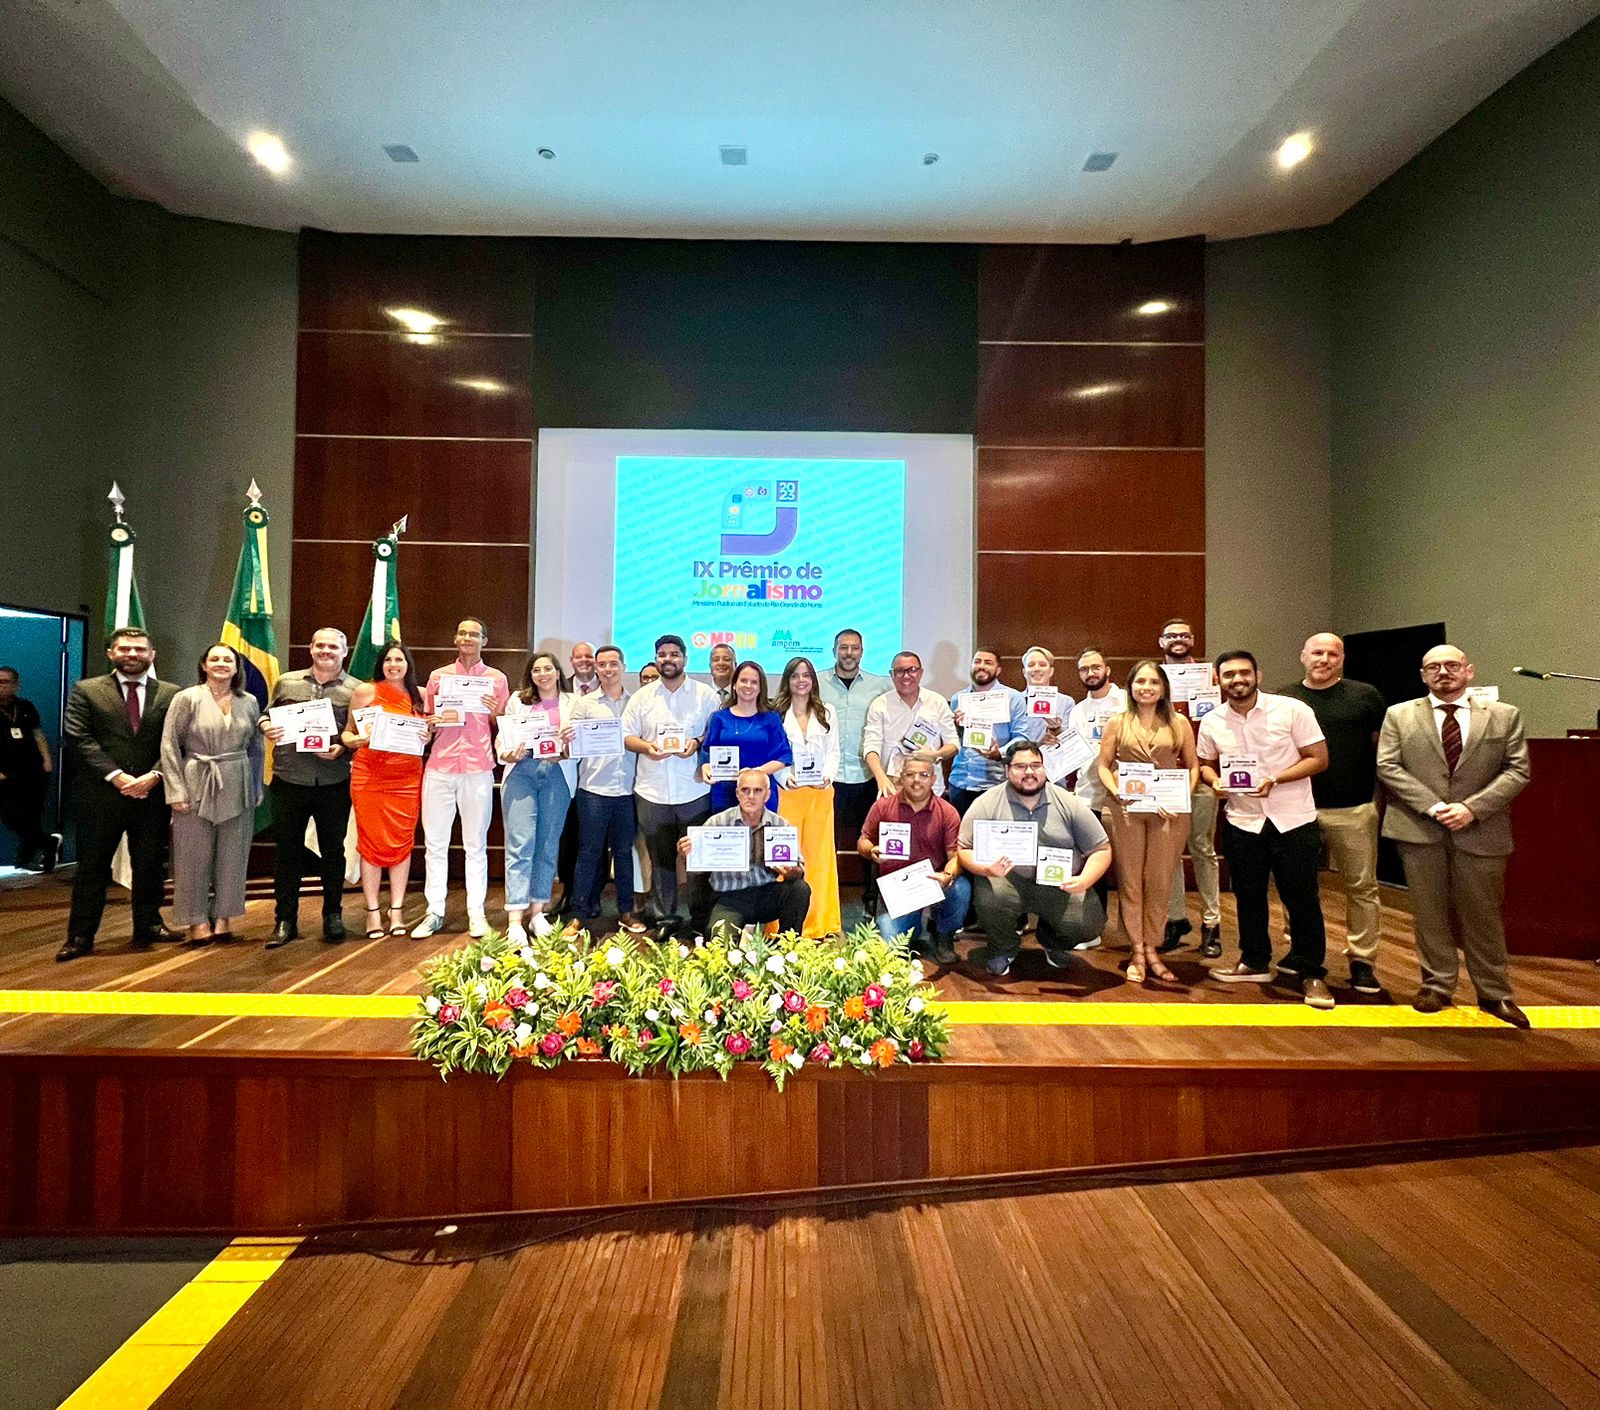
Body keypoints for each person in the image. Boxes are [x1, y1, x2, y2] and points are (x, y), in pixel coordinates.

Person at [1377, 645, 1532, 1027]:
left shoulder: (1504, 716)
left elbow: (1517, 771)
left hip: (1481, 829)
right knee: (1429, 913)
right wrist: (1432, 806)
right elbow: (1388, 766)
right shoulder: (1399, 715)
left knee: (1483, 914)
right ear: (1423, 675)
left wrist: (1471, 809)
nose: (1443, 672)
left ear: (1469, 671)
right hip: (1420, 827)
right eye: (1434, 667)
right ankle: (1437, 984)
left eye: (1451, 666)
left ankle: (1495, 993)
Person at [1197, 650, 1335, 1008]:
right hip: (1243, 820)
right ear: (1218, 679)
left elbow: (1319, 759)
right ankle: (1254, 960)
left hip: (1292, 819)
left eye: (1244, 673)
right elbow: (1206, 764)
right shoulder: (1212, 721)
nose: (1237, 680)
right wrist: (1215, 784)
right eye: (1229, 675)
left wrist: (1275, 778)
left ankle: (1311, 973)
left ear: (1258, 674)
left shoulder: (1292, 710)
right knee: (1248, 896)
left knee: (1302, 899)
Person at [58, 628, 182, 960]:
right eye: (124, 648)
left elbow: (177, 742)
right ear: (111, 654)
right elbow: (79, 737)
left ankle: (149, 926)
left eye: (139, 649)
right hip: (101, 796)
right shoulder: (86, 690)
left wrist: (153, 776)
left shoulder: (172, 694)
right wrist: (118, 776)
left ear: (151, 655)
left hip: (151, 794)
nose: (132, 654)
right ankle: (81, 935)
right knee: (92, 868)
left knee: (150, 865)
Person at [1279, 633, 1389, 995]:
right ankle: (1301, 950)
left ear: (1342, 659)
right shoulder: (1284, 699)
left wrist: (1377, 799)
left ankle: (1362, 960)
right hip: (1297, 808)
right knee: (1297, 887)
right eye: (1317, 653)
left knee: (1361, 886)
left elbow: (1381, 753)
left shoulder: (1366, 696)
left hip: (1353, 807)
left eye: (1332, 654)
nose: (1324, 659)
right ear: (1303, 656)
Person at [957, 739, 1113, 977]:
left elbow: (1101, 849)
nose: (1029, 772)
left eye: (1036, 765)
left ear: (1044, 768)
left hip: (1058, 884)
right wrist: (986, 869)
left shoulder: (1068, 802)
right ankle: (1003, 948)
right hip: (1009, 881)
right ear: (1007, 770)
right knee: (989, 895)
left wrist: (1083, 881)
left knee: (1089, 923)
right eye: (1020, 767)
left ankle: (1053, 942)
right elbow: (964, 848)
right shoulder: (987, 802)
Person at [1096, 661, 1198, 984]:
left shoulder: (1179, 722)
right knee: (1129, 880)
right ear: (1130, 687)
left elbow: (1193, 767)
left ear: (1164, 688)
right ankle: (1136, 950)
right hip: (1125, 808)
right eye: (1140, 681)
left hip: (1168, 812)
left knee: (1159, 880)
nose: (1146, 687)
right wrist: (1115, 791)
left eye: (1153, 681)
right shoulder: (1117, 722)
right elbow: (1103, 766)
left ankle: (1153, 947)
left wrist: (1181, 797)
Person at [411, 618, 510, 940]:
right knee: (435, 844)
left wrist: (495, 713)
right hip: (439, 767)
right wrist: (432, 722)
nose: (467, 638)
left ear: (485, 640)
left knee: (476, 845)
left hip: (478, 767)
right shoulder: (439, 677)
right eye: (462, 632)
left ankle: (476, 914)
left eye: (474, 634)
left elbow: (504, 725)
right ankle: (434, 911)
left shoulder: (496, 679)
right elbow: (428, 724)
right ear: (455, 639)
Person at [159, 644, 264, 945]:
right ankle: (195, 921)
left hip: (238, 781)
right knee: (193, 856)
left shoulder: (249, 702)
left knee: (233, 855)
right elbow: (169, 745)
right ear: (204, 665)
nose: (221, 664)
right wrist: (175, 791)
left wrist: (256, 787)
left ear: (236, 667)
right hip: (196, 780)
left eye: (227, 660)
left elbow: (256, 748)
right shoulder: (187, 698)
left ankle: (224, 917)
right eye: (214, 659)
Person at [259, 627, 355, 946]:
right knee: (287, 853)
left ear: (345, 651)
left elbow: (358, 732)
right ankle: (285, 921)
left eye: (333, 646)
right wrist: (266, 726)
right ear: (311, 649)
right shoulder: (287, 682)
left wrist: (342, 746)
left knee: (333, 853)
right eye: (320, 645)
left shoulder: (356, 689)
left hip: (334, 781)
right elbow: (264, 716)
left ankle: (333, 916)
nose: (326, 651)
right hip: (290, 780)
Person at [622, 634, 719, 936]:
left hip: (695, 790)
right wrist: (647, 747)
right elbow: (626, 736)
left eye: (674, 654)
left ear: (685, 659)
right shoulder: (642, 697)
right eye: (662, 654)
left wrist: (696, 742)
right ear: (656, 658)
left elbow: (712, 733)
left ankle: (701, 920)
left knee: (699, 858)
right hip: (652, 792)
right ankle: (666, 919)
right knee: (661, 859)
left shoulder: (706, 695)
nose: (668, 659)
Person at [340, 642, 427, 939]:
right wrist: (357, 741)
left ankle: (398, 911)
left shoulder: (421, 695)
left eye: (399, 659)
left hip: (406, 778)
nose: (393, 664)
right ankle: (373, 912)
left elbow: (427, 734)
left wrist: (429, 733)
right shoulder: (366, 691)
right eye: (388, 659)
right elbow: (348, 733)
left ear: (408, 664)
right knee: (371, 844)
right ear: (381, 664)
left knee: (403, 841)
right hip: (370, 777)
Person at [498, 651, 577, 941]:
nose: (542, 674)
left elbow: (579, 747)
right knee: (520, 844)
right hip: (522, 772)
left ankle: (537, 912)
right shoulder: (518, 700)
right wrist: (509, 752)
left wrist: (567, 748)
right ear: (530, 675)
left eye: (548, 668)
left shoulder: (573, 702)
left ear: (558, 672)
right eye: (536, 670)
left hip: (557, 773)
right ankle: (515, 919)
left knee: (547, 845)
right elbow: (503, 739)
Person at [859, 752, 967, 963]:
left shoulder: (948, 812)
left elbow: (955, 857)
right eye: (910, 774)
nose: (917, 780)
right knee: (889, 949)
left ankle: (943, 934)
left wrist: (947, 875)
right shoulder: (882, 806)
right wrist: (871, 851)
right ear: (901, 777)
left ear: (934, 779)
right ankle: (916, 927)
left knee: (960, 887)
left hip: (933, 885)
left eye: (924, 775)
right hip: (897, 890)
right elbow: (863, 841)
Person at [1157, 617, 1223, 957]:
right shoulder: (1151, 680)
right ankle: (1175, 919)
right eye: (1171, 636)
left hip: (1200, 780)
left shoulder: (1211, 679)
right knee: (1169, 853)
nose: (1178, 640)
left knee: (1203, 850)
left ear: (1193, 639)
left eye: (1184, 634)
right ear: (1161, 642)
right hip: (1165, 781)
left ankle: (1212, 924)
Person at [679, 767, 811, 935]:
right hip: (729, 898)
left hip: (766, 894)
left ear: (767, 795)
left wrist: (791, 871)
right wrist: (687, 855)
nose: (751, 796)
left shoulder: (780, 824)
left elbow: (799, 870)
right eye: (745, 790)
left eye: (757, 791)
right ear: (737, 794)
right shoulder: (717, 822)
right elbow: (697, 868)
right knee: (720, 945)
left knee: (799, 889)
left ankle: (787, 945)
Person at [571, 644, 645, 933]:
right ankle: (578, 914)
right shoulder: (585, 704)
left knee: (624, 853)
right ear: (596, 668)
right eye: (602, 664)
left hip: (627, 790)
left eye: (614, 664)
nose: (608, 669)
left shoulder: (637, 702)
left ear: (624, 666)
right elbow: (574, 746)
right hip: (593, 789)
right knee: (588, 853)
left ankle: (626, 912)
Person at [819, 627, 890, 915]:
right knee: (827, 840)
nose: (849, 653)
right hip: (829, 776)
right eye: (843, 647)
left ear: (862, 651)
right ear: (834, 650)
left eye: (854, 648)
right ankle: (827, 898)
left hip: (867, 775)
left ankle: (871, 896)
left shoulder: (880, 685)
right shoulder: (817, 682)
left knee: (870, 841)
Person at [774, 655, 841, 937]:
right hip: (787, 793)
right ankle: (781, 923)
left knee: (818, 858)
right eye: (795, 675)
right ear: (787, 681)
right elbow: (773, 753)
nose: (801, 681)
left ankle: (819, 922)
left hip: (819, 794)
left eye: (806, 675)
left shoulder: (827, 712)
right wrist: (783, 776)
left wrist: (827, 774)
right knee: (785, 857)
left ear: (813, 680)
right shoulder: (775, 713)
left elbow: (834, 751)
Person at [1061, 645, 1126, 924]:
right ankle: (1095, 926)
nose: (1090, 673)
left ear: (1107, 669)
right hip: (1089, 796)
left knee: (1129, 868)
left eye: (1095, 667)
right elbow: (1073, 753)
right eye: (1084, 669)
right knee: (1094, 863)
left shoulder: (1126, 701)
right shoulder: (1078, 710)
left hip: (1124, 795)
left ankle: (1140, 931)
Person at [547, 640, 600, 919]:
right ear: (571, 660)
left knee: (595, 842)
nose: (584, 661)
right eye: (579, 657)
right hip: (566, 777)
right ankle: (569, 893)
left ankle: (594, 895)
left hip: (596, 778)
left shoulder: (607, 686)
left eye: (589, 656)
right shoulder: (560, 689)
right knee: (568, 840)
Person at [948, 648, 1032, 814]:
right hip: (961, 781)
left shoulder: (1013, 698)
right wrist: (956, 728)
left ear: (998, 670)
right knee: (963, 838)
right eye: (977, 662)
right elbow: (954, 740)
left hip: (995, 782)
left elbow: (1022, 738)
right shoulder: (959, 698)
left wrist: (999, 752)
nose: (981, 666)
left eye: (988, 663)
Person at [863, 652, 958, 798]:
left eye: (912, 670)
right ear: (892, 674)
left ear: (920, 673)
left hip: (931, 789)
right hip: (892, 788)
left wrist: (935, 755)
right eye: (900, 671)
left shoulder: (937, 702)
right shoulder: (880, 705)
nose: (906, 676)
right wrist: (881, 779)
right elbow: (871, 747)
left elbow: (953, 744)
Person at [700, 660, 791, 812]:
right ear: (734, 685)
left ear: (761, 688)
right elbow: (707, 752)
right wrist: (706, 767)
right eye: (743, 680)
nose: (748, 685)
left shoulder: (771, 719)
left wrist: (753, 773)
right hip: (724, 794)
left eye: (754, 682)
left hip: (760, 793)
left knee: (759, 836)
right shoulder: (719, 718)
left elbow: (783, 757)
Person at [0, 665, 59, 872]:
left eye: (5, 682)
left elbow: (37, 734)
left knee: (32, 815)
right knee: (11, 816)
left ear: (15, 685)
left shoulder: (25, 707)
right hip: (5, 772)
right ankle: (48, 842)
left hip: (33, 769)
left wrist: (47, 761)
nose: (1, 686)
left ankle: (25, 858)